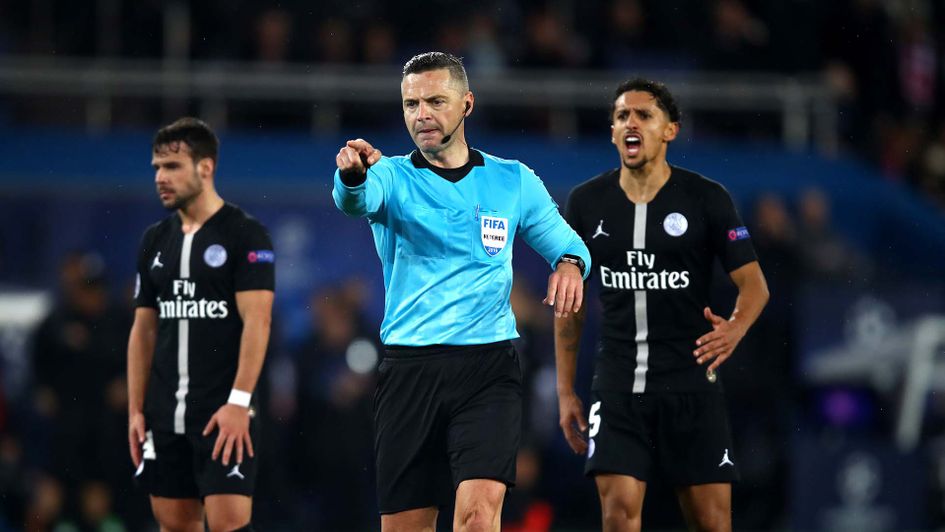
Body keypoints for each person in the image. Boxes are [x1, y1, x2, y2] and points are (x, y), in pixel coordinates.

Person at [332, 51, 591, 531]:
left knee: (477, 516)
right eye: (411, 104)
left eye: (435, 101)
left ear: (467, 104)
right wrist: (351, 175)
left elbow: (567, 245)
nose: (421, 115)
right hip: (410, 369)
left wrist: (571, 266)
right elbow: (353, 199)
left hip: (487, 368)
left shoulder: (512, 179)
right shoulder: (388, 175)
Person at [555, 79, 769, 532]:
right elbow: (568, 305)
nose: (630, 123)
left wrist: (734, 327)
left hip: (691, 383)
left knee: (711, 522)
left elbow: (755, 287)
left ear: (670, 130)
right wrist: (565, 390)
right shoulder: (586, 202)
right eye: (621, 116)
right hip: (616, 387)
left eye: (644, 115)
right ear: (612, 132)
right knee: (617, 517)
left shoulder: (707, 198)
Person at [127, 117, 275, 532]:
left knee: (229, 523)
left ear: (205, 168)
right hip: (163, 414)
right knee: (173, 524)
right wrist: (136, 410)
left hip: (222, 412)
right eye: (156, 167)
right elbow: (143, 331)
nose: (160, 177)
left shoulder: (245, 235)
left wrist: (239, 402)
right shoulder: (155, 239)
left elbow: (258, 321)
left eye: (172, 167)